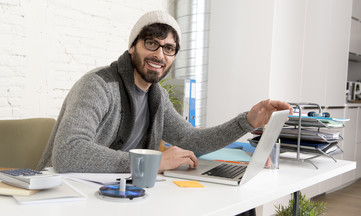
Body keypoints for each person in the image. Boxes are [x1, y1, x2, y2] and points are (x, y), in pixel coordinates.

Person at [36, 10, 292, 174]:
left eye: (169, 48)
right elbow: (68, 153)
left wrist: (247, 121)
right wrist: (151, 163)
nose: (160, 55)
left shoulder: (157, 98)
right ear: (132, 47)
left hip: (118, 193)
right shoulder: (98, 85)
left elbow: (193, 141)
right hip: (67, 195)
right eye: (151, 43)